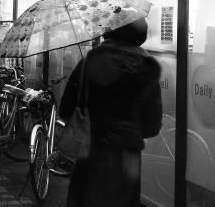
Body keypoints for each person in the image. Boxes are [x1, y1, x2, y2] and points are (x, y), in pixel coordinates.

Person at [59, 17, 162, 207]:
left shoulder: (89, 62)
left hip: (91, 150)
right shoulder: (147, 69)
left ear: (110, 30)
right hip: (128, 157)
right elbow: (152, 126)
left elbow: (65, 109)